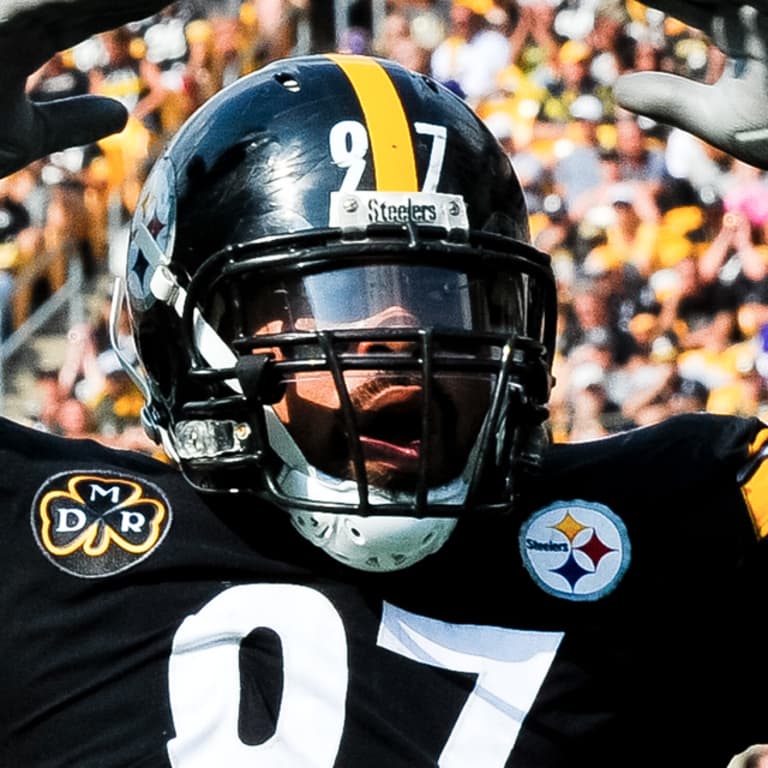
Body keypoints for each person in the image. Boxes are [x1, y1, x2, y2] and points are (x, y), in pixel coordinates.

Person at [2, 2, 768, 767]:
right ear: (187, 337)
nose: (403, 335)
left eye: (444, 292)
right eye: (337, 292)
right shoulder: (37, 545)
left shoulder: (676, 524)